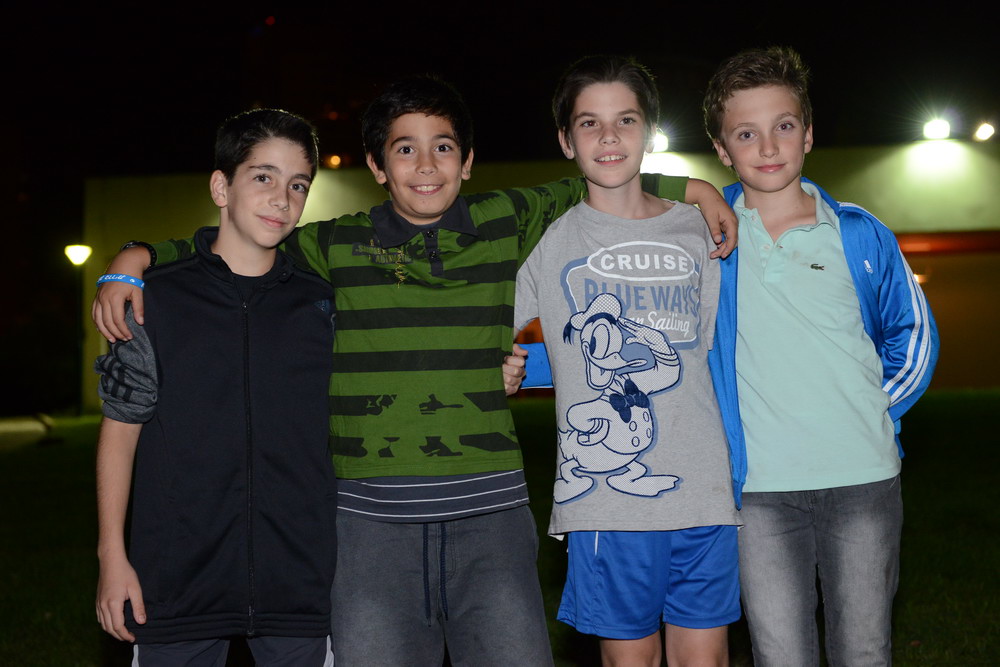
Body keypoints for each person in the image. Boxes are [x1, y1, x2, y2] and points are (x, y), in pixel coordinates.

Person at [92, 76, 737, 665]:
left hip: (491, 515)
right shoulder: (335, 244)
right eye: (404, 150)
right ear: (376, 166)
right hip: (369, 527)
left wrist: (693, 189)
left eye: (443, 147)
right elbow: (236, 244)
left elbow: (599, 179)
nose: (426, 166)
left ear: (468, 160)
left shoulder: (506, 219)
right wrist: (136, 257)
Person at [702, 47, 939, 665]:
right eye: (746, 134)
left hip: (862, 479)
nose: (768, 146)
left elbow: (913, 334)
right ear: (722, 150)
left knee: (864, 650)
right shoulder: (704, 238)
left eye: (783, 126)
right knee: (780, 653)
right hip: (758, 489)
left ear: (807, 133)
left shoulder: (858, 231)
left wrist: (875, 411)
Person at [514, 55, 740, 667]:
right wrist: (509, 362)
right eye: (589, 123)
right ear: (566, 140)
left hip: (703, 491)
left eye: (626, 120)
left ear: (650, 131)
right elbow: (490, 334)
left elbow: (703, 352)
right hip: (607, 507)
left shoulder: (699, 229)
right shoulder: (549, 241)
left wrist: (696, 189)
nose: (609, 136)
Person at [94, 109, 336, 666]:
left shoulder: (320, 305)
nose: (282, 198)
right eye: (263, 176)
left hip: (298, 584)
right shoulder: (154, 299)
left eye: (298, 184)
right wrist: (112, 555)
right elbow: (121, 432)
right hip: (175, 583)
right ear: (221, 187)